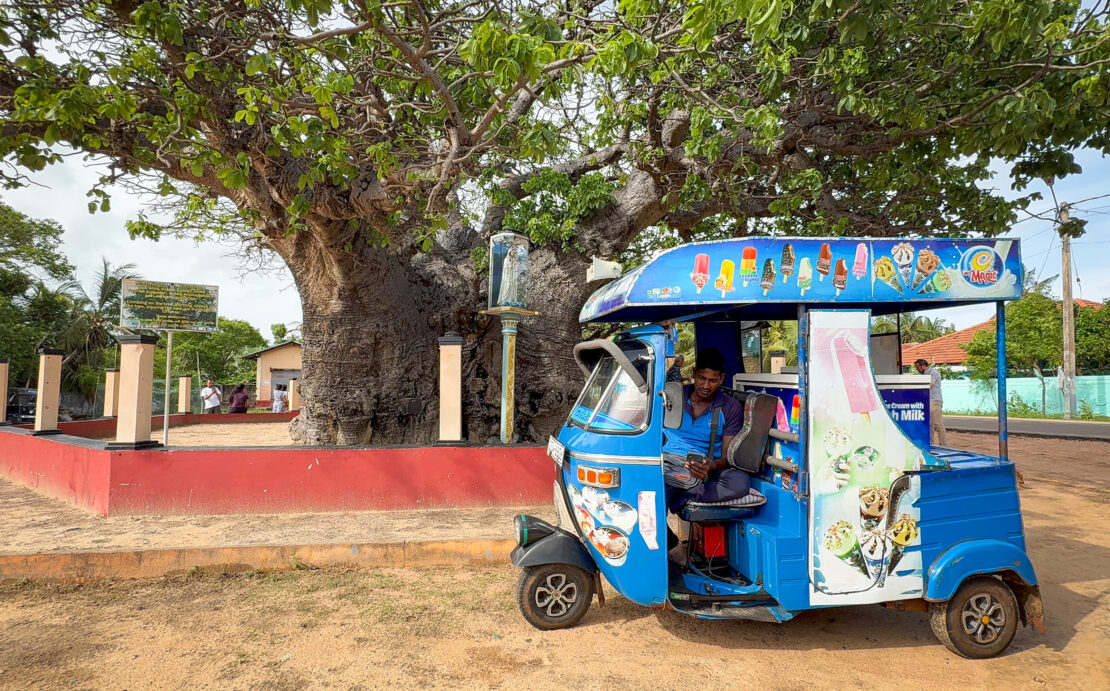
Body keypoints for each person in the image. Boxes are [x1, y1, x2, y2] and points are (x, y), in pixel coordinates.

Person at [663, 348, 749, 516]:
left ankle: (682, 497)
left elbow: (726, 457)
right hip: (667, 463)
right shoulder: (673, 397)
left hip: (704, 469)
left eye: (713, 380)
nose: (706, 386)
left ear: (721, 378)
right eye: (702, 378)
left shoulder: (730, 407)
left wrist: (709, 467)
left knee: (739, 482)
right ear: (694, 373)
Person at [915, 358, 947, 446]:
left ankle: (943, 444)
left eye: (918, 367)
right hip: (928, 401)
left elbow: (930, 385)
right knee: (929, 424)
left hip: (935, 401)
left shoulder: (934, 373)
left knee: (937, 423)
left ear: (923, 366)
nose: (917, 369)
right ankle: (931, 444)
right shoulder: (924, 375)